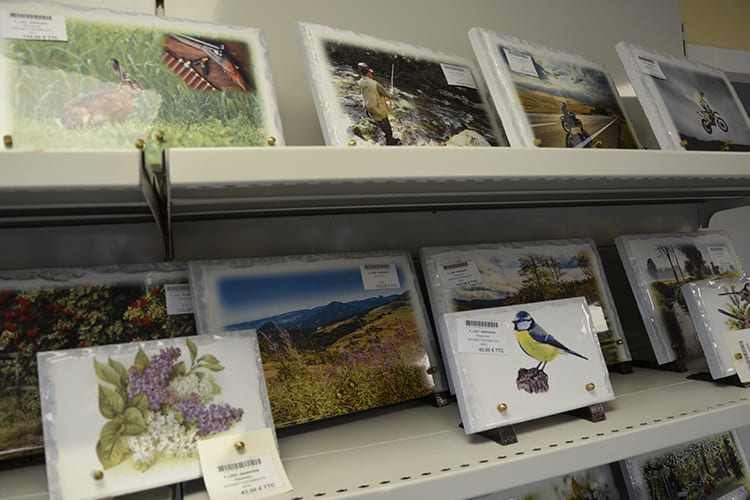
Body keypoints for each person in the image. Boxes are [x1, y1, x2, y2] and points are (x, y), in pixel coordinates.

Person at [356, 62, 401, 145]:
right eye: (370, 72)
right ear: (368, 73)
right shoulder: (375, 84)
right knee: (388, 131)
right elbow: (390, 96)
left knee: (381, 126)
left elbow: (371, 94)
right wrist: (392, 92)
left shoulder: (361, 82)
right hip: (378, 111)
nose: (371, 74)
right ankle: (390, 143)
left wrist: (381, 96)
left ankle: (381, 137)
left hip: (369, 109)